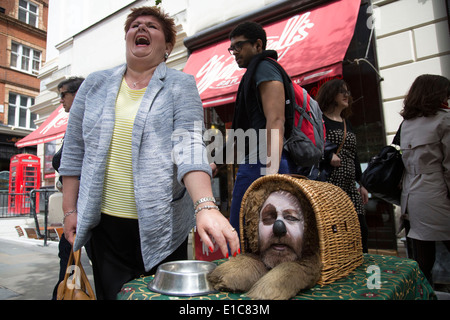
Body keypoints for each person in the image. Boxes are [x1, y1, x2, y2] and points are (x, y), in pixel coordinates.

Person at [58, 6, 239, 300]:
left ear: (167, 46)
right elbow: (74, 151)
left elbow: (190, 145)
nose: (141, 29)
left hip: (162, 228)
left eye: (152, 27)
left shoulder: (181, 85)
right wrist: (70, 210)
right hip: (104, 228)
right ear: (127, 37)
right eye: (135, 25)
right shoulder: (94, 84)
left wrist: (205, 205)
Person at [211, 21, 297, 236]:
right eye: (232, 48)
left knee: (243, 232)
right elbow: (243, 131)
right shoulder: (255, 71)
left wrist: (271, 174)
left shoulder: (264, 67)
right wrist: (217, 162)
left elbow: (276, 120)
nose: (234, 52)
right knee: (255, 234)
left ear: (258, 45)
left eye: (239, 46)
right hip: (257, 162)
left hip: (263, 164)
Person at [399, 74, 450, 285]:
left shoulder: (407, 124)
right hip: (437, 191)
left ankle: (422, 294)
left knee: (421, 261)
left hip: (411, 196)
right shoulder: (444, 118)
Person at [315, 79, 369, 253]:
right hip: (330, 183)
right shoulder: (320, 120)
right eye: (342, 92)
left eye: (348, 92)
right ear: (331, 95)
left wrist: (362, 184)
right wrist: (327, 155)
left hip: (350, 184)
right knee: (335, 230)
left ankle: (361, 268)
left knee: (360, 229)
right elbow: (310, 146)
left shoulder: (346, 122)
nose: (347, 95)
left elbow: (354, 155)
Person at [51, 77, 88, 300]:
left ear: (77, 94)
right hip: (75, 207)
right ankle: (68, 293)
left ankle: (68, 294)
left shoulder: (85, 122)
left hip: (84, 207)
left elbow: (66, 161)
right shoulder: (75, 123)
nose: (61, 100)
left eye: (63, 94)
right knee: (69, 258)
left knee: (70, 257)